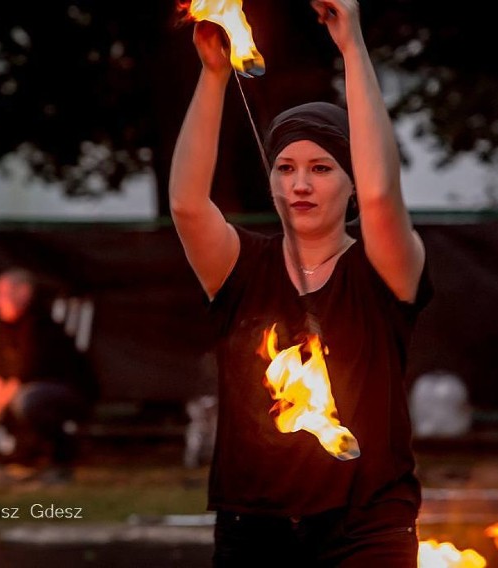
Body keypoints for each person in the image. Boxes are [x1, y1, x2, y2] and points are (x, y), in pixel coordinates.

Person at [170, 1, 431, 565]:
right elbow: (187, 205)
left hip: (367, 526)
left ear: (351, 183)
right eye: (285, 168)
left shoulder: (383, 268)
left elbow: (385, 195)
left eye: (321, 168)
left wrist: (353, 47)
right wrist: (215, 75)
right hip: (253, 527)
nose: (300, 184)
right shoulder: (241, 268)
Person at [0, 268, 95, 483]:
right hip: (27, 390)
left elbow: (20, 378)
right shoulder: (7, 326)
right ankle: (4, 454)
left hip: (67, 393)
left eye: (1, 294)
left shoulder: (40, 327)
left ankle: (61, 456)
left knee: (26, 399)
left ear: (23, 292)